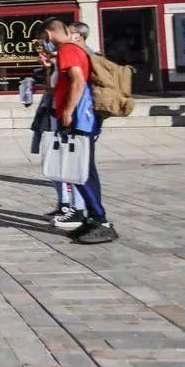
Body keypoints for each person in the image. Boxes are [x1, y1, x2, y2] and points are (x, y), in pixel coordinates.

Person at [41, 18, 118, 244]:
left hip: (79, 120)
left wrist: (67, 111)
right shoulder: (70, 49)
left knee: (81, 171)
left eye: (42, 40)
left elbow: (77, 81)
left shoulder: (67, 49)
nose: (44, 44)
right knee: (81, 171)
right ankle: (92, 219)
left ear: (48, 34)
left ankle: (101, 221)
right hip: (79, 118)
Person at [31, 30, 87, 230]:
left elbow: (77, 83)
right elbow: (54, 88)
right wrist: (47, 69)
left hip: (67, 119)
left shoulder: (70, 56)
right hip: (54, 116)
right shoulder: (57, 62)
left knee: (72, 166)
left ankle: (78, 209)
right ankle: (65, 204)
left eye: (43, 48)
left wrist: (68, 112)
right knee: (55, 162)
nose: (42, 53)